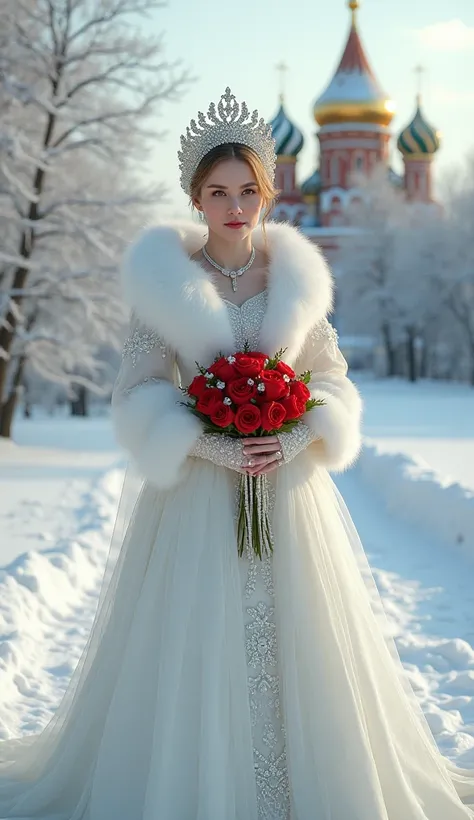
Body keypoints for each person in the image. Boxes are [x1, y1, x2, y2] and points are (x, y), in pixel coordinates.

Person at [1, 86, 474, 820]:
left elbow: (333, 382)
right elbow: (135, 395)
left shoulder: (296, 282)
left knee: (303, 648)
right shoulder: (165, 287)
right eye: (218, 191)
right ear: (195, 196)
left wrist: (296, 431)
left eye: (248, 189)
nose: (234, 205)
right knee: (198, 647)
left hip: (286, 496)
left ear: (268, 190)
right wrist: (205, 443)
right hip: (193, 500)